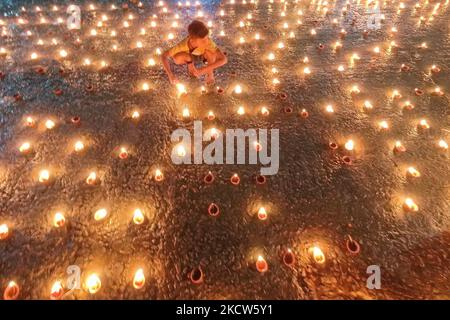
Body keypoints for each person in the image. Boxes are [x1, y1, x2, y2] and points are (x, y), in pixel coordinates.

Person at [162, 20, 228, 85]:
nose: (206, 42)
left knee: (211, 52)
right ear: (192, 39)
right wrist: (170, 75)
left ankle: (210, 74)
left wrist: (204, 70)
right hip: (190, 56)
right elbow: (164, 56)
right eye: (203, 40)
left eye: (206, 38)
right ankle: (190, 64)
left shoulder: (208, 43)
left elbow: (224, 59)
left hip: (203, 55)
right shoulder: (182, 45)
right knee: (176, 58)